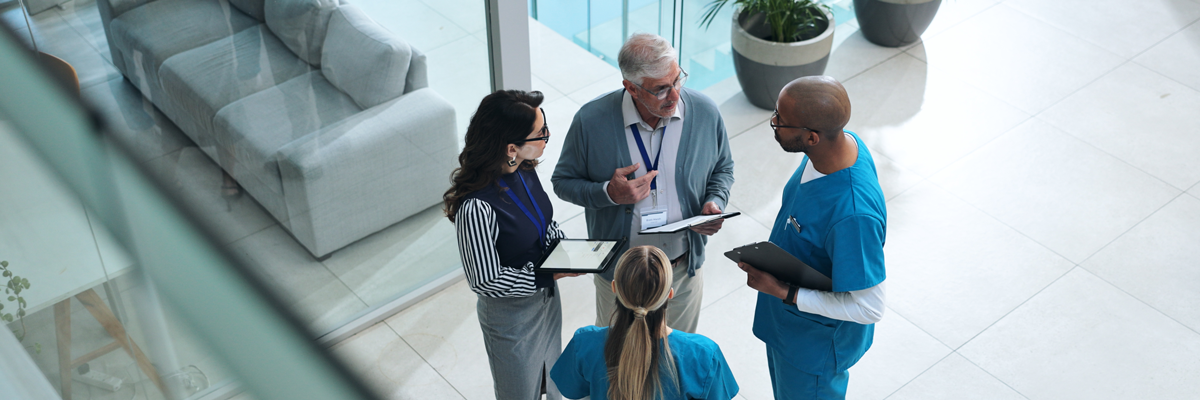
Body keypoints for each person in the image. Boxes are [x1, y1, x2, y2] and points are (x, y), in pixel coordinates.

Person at [552, 33, 735, 334]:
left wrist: (715, 200)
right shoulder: (591, 121)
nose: (674, 96)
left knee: (676, 359)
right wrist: (608, 193)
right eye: (661, 89)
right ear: (631, 88)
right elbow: (563, 182)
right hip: (618, 274)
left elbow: (722, 167)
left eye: (677, 80)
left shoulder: (704, 112)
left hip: (682, 272)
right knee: (616, 360)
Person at [737, 76, 887, 399]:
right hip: (788, 328)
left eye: (781, 121)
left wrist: (784, 291)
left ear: (812, 137)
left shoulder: (854, 214)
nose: (774, 123)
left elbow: (870, 307)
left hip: (812, 352)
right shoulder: (834, 150)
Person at [444, 90, 584, 400]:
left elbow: (542, 223)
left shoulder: (524, 169)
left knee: (553, 381)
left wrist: (562, 250)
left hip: (547, 302)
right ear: (511, 147)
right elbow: (485, 280)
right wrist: (547, 274)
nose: (547, 137)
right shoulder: (476, 208)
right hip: (512, 319)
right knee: (520, 393)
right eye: (541, 133)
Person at [551, 246, 739, 400]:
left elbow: (572, 390)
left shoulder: (584, 344)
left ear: (615, 288)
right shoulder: (704, 355)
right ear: (670, 294)